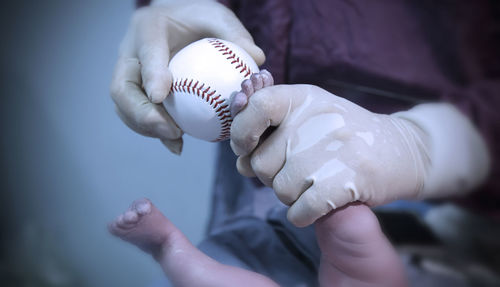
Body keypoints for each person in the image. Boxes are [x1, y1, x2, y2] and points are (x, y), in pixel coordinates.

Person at [109, 0, 499, 286]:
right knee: (326, 251)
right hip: (269, 141)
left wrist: (429, 144)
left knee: (254, 257)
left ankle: (173, 250)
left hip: (444, 177)